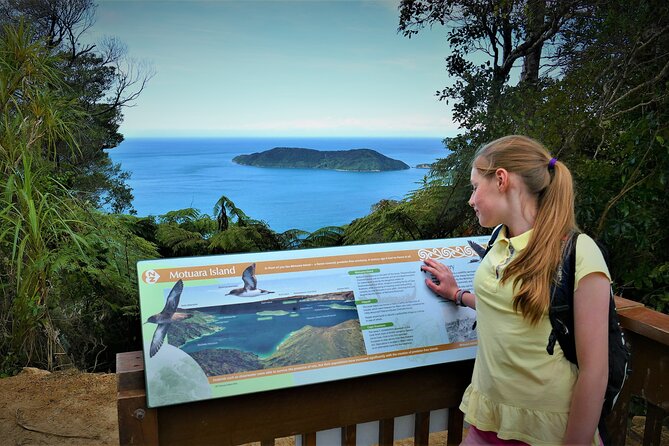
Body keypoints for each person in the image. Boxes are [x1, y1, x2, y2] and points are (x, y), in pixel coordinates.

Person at [421, 135, 610, 445]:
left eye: (474, 187)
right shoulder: (499, 239)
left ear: (500, 180)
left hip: (549, 431)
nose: (471, 200)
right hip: (489, 420)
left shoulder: (579, 253)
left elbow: (595, 371)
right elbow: (509, 309)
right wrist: (457, 294)